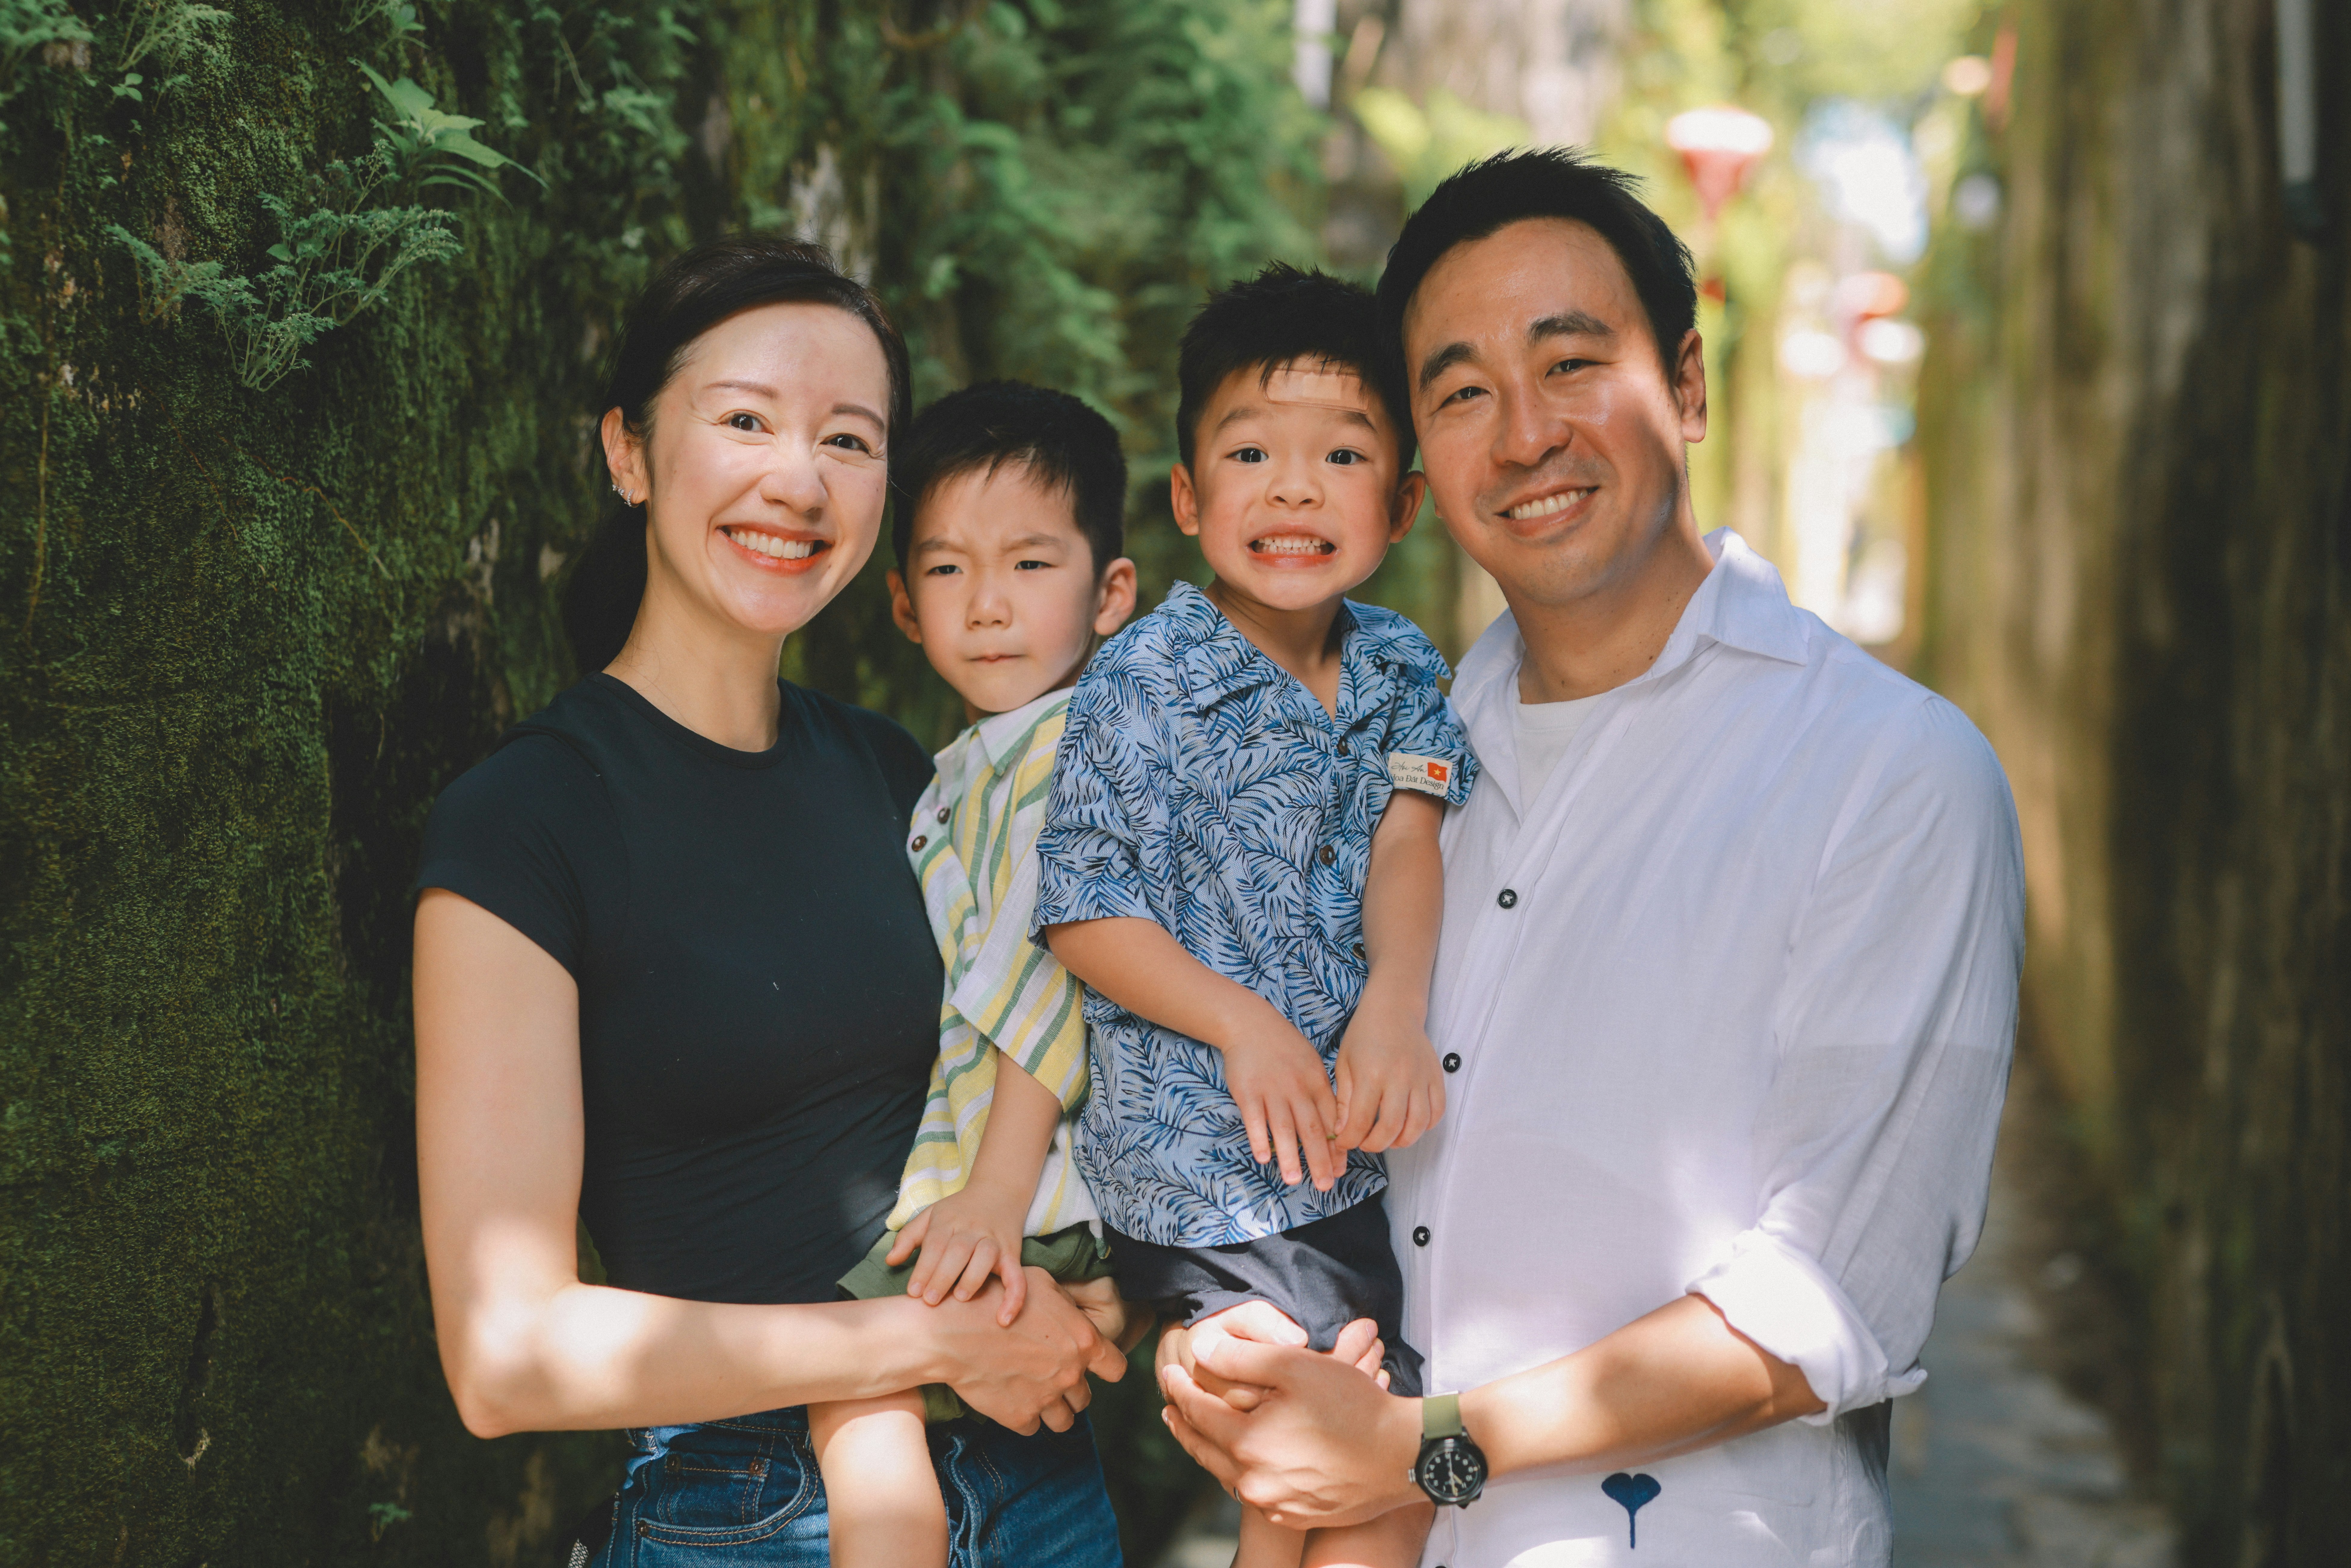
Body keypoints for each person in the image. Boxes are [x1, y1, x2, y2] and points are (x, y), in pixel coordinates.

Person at [1157, 150, 2026, 1567]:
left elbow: (1816, 1313)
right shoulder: (1386, 761)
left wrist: (1416, 1442)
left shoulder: (1890, 774)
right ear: (1417, 466)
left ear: (1683, 385)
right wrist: (1222, 1335)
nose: (1521, 436)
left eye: (1569, 365)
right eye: (1458, 394)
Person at [408, 237, 1132, 1568]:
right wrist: (929, 1335)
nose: (796, 479)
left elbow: (1039, 1046)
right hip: (746, 1513)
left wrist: (1086, 1286)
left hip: (1038, 1479)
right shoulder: (524, 822)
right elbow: (502, 1355)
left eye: (848, 441)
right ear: (627, 451)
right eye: (744, 420)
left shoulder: (901, 775)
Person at [1037, 265, 1478, 1568]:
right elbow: (1081, 904)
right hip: (1195, 1175)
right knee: (1351, 1462)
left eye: (1341, 454)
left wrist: (1391, 1005)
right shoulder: (1142, 678)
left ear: (1401, 502)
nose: (1292, 488)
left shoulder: (1401, 664)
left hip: (1338, 1167)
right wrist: (1243, 1024)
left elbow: (1411, 836)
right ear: (1188, 497)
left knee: (1339, 1478)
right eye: (1250, 452)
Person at [804, 381, 1139, 1568]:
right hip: (1006, 1168)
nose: (986, 605)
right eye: (947, 571)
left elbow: (1047, 976)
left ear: (1109, 592)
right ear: (901, 602)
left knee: (855, 1369)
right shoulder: (972, 767)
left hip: (1029, 1178)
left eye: (1030, 565)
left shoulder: (1066, 763)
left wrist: (993, 1194)